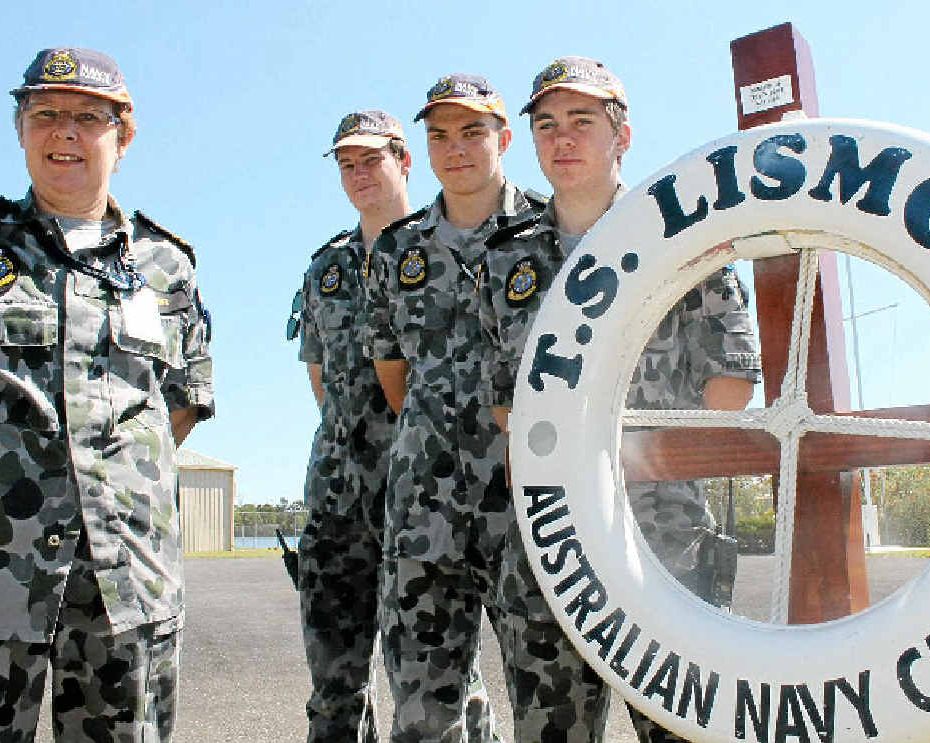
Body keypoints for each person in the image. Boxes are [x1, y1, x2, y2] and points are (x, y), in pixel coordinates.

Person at [480, 57, 762, 742]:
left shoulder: (678, 237)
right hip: (549, 546)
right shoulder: (505, 258)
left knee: (682, 731)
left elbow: (733, 379)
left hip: (661, 541)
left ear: (622, 137)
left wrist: (645, 456)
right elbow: (504, 402)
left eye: (582, 122)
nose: (562, 139)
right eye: (546, 125)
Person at [365, 74, 610, 742]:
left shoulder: (550, 229)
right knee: (422, 710)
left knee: (554, 699)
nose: (456, 148)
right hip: (426, 510)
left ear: (503, 138)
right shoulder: (395, 251)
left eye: (473, 131)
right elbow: (394, 380)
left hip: (532, 502)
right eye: (439, 134)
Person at [0, 47, 214, 741]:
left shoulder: (166, 266)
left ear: (123, 136)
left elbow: (179, 405)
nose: (65, 131)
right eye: (46, 114)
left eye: (88, 117)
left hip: (128, 588)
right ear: (20, 130)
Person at [288, 109, 495, 742]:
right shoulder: (325, 270)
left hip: (431, 495)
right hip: (340, 499)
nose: (359, 175)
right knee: (333, 685)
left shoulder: (442, 247)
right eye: (347, 165)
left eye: (371, 160)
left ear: (403, 161)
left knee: (446, 683)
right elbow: (322, 380)